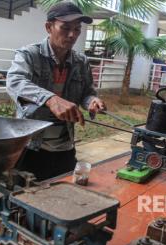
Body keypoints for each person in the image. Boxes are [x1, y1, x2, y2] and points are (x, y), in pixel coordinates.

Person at [6, 1, 106, 180]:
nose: (72, 34)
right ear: (49, 27)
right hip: (29, 147)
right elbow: (15, 81)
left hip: (65, 147)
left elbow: (87, 92)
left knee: (63, 195)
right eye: (65, 28)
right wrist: (51, 99)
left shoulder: (81, 62)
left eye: (77, 29)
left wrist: (91, 101)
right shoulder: (29, 55)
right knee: (25, 199)